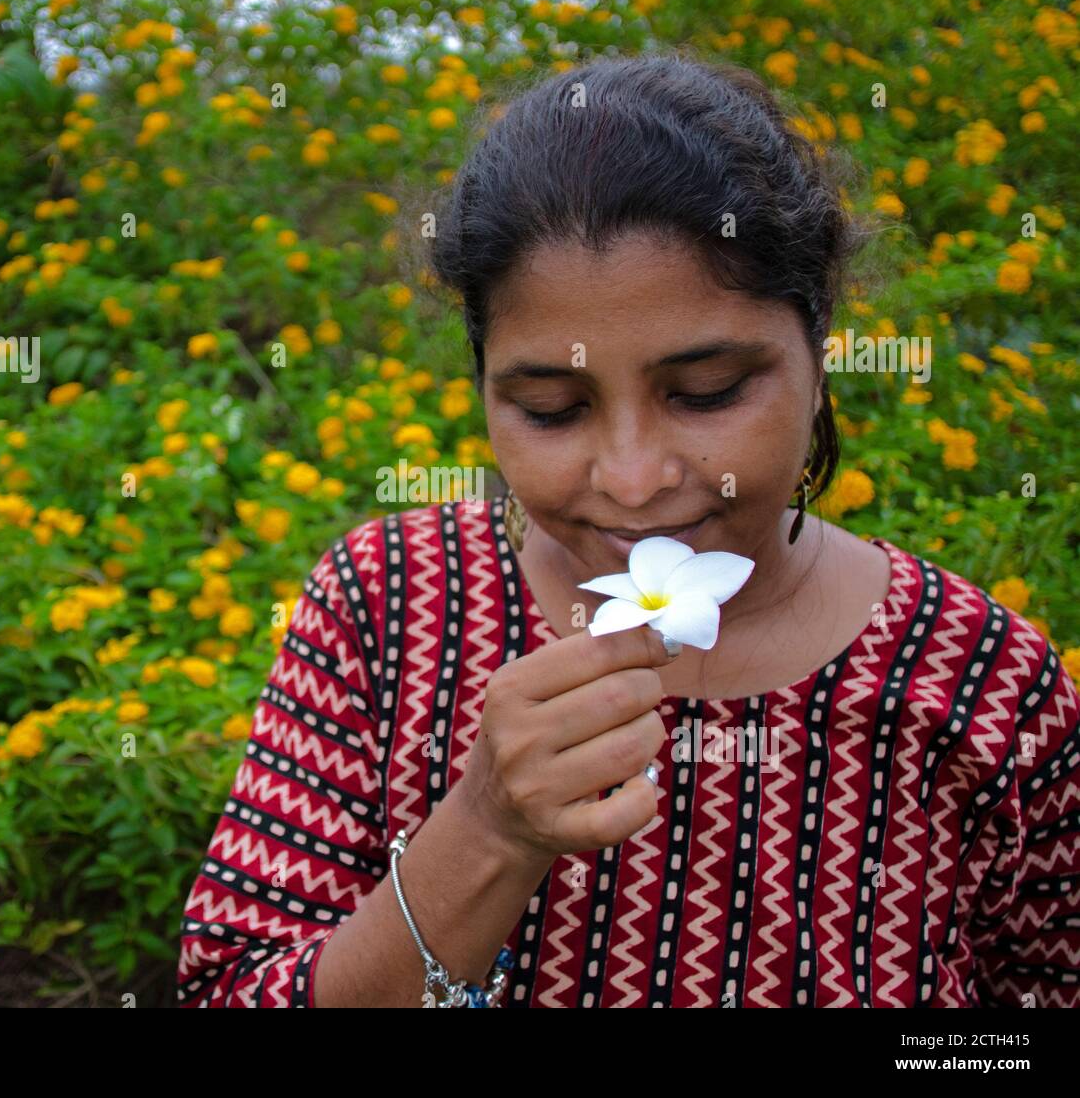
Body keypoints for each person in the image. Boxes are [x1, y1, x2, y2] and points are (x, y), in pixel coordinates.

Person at [176, 52, 1080, 1008]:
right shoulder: (389, 606)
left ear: (818, 351)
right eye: (554, 409)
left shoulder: (985, 686)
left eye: (707, 393)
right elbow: (227, 990)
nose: (637, 481)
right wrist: (484, 832)